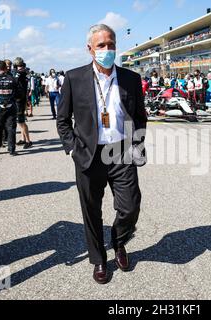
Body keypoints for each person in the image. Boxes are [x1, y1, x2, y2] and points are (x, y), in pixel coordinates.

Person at [57, 24, 147, 285]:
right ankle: (98, 259)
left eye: (111, 44)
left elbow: (140, 117)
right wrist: (73, 147)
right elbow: (63, 119)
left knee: (130, 206)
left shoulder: (130, 78)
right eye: (101, 45)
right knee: (91, 209)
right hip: (88, 154)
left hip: (121, 151)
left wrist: (136, 146)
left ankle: (119, 242)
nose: (107, 50)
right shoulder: (74, 78)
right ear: (90, 49)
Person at [0, 61, 21, 156]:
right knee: (11, 128)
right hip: (11, 106)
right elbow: (20, 94)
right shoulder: (13, 79)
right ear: (6, 68)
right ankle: (11, 150)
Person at [13, 58, 33, 149]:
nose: (19, 68)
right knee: (20, 121)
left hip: (20, 99)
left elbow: (16, 81)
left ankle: (28, 141)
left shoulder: (23, 74)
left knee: (21, 121)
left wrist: (18, 72)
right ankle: (23, 138)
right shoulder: (23, 73)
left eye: (21, 66)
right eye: (18, 66)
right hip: (19, 98)